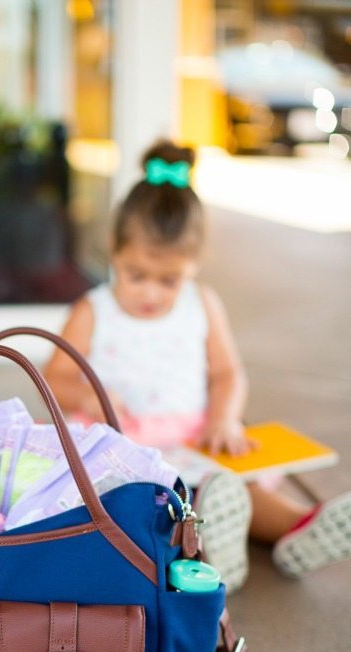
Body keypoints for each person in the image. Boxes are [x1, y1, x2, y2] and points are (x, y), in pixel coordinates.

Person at [43, 139, 351, 592]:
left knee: (234, 488)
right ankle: (204, 548)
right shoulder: (93, 310)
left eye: (168, 280)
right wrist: (89, 395)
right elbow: (55, 379)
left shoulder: (202, 304)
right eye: (136, 275)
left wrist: (224, 418)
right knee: (136, 501)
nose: (150, 293)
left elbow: (227, 373)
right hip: (121, 442)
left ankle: (299, 528)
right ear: (113, 251)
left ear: (193, 264)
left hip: (192, 436)